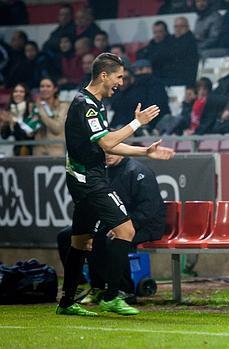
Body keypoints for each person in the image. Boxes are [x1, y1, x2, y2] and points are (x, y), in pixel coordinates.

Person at [56, 52, 174, 317]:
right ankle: (111, 295)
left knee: (80, 241)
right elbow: (107, 143)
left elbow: (109, 144)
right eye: (119, 77)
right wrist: (137, 123)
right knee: (126, 231)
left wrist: (145, 152)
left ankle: (66, 303)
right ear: (104, 75)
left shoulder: (93, 103)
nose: (121, 82)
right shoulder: (85, 104)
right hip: (91, 181)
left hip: (82, 179)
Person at [57, 152, 166, 305]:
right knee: (67, 236)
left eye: (112, 151)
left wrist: (125, 225)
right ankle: (89, 285)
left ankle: (124, 290)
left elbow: (149, 208)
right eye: (104, 152)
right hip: (113, 222)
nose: (107, 155)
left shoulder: (138, 171)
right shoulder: (101, 172)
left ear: (122, 150)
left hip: (145, 225)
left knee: (112, 239)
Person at [32, 77, 69, 156]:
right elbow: (30, 133)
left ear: (55, 89)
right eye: (42, 86)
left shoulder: (63, 106)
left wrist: (41, 112)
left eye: (48, 86)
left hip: (56, 152)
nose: (44, 89)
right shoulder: (35, 106)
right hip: (38, 153)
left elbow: (57, 128)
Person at [0, 83, 33, 156]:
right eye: (15, 91)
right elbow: (4, 136)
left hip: (27, 154)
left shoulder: (31, 110)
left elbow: (27, 137)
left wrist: (14, 123)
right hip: (10, 153)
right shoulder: (8, 110)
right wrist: (5, 124)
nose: (18, 94)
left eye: (21, 92)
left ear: (26, 94)